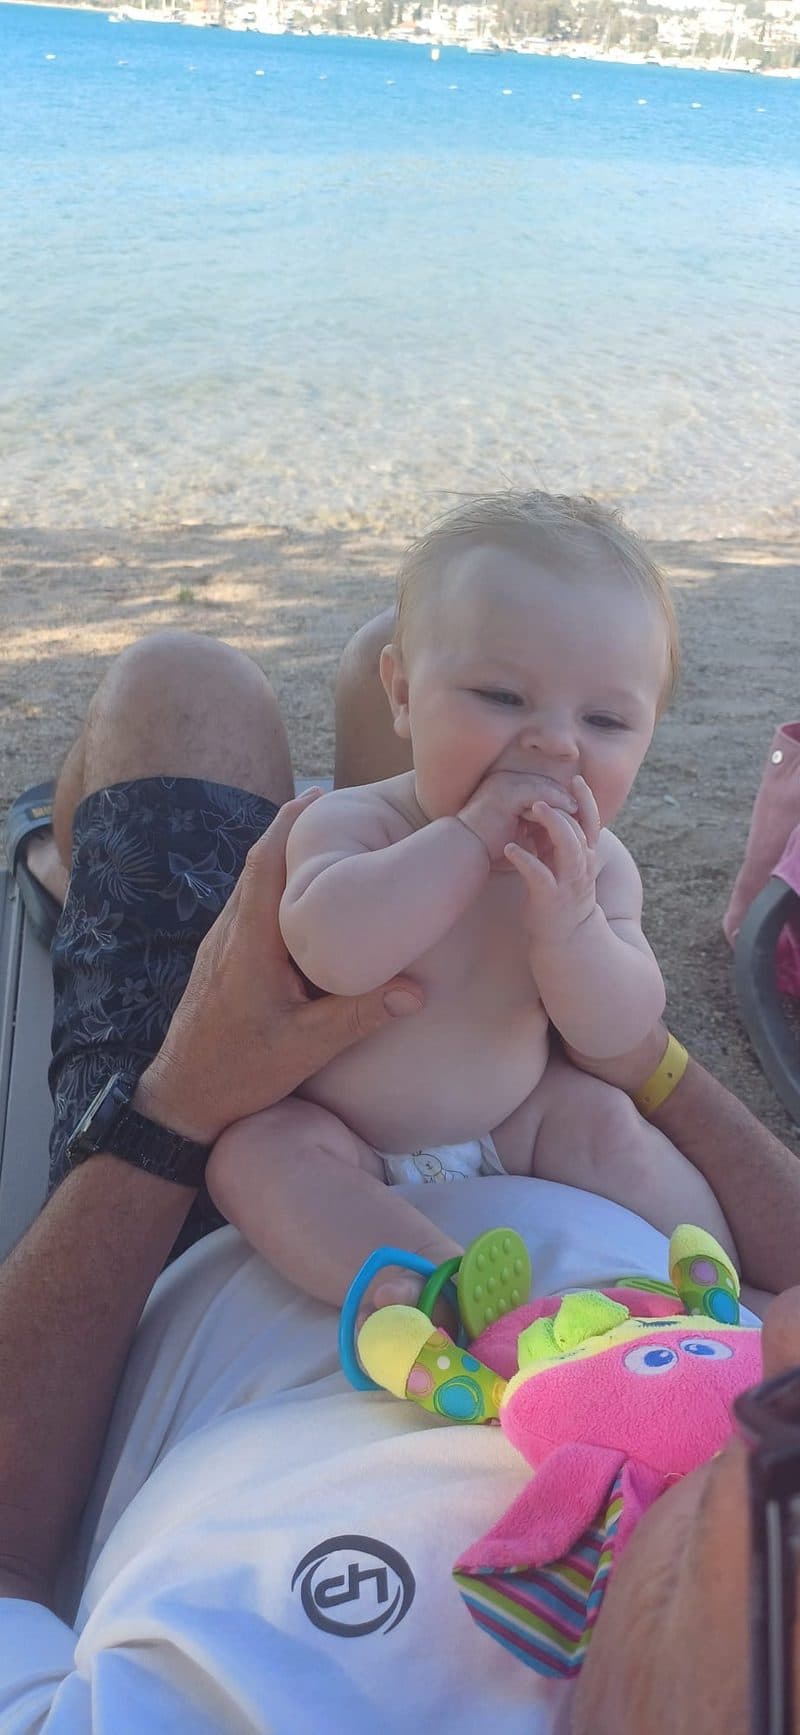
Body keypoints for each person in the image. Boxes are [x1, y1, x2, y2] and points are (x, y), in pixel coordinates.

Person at [2, 626, 799, 1733]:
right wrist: (634, 1060)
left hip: (208, 1193)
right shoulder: (750, 1474)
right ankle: (397, 774)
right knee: (415, 652)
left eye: (608, 722)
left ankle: (62, 856)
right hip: (542, 1127)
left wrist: (181, 1096)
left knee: (183, 688)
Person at [206, 492, 734, 1318]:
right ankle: (427, 1282)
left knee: (611, 1126)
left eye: (604, 719)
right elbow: (332, 953)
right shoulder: (358, 821)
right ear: (405, 693)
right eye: (501, 696)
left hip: (518, 1117)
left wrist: (573, 926)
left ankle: (718, 1288)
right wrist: (462, 844)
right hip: (348, 1131)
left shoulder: (602, 869)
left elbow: (616, 1029)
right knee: (251, 1158)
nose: (556, 742)